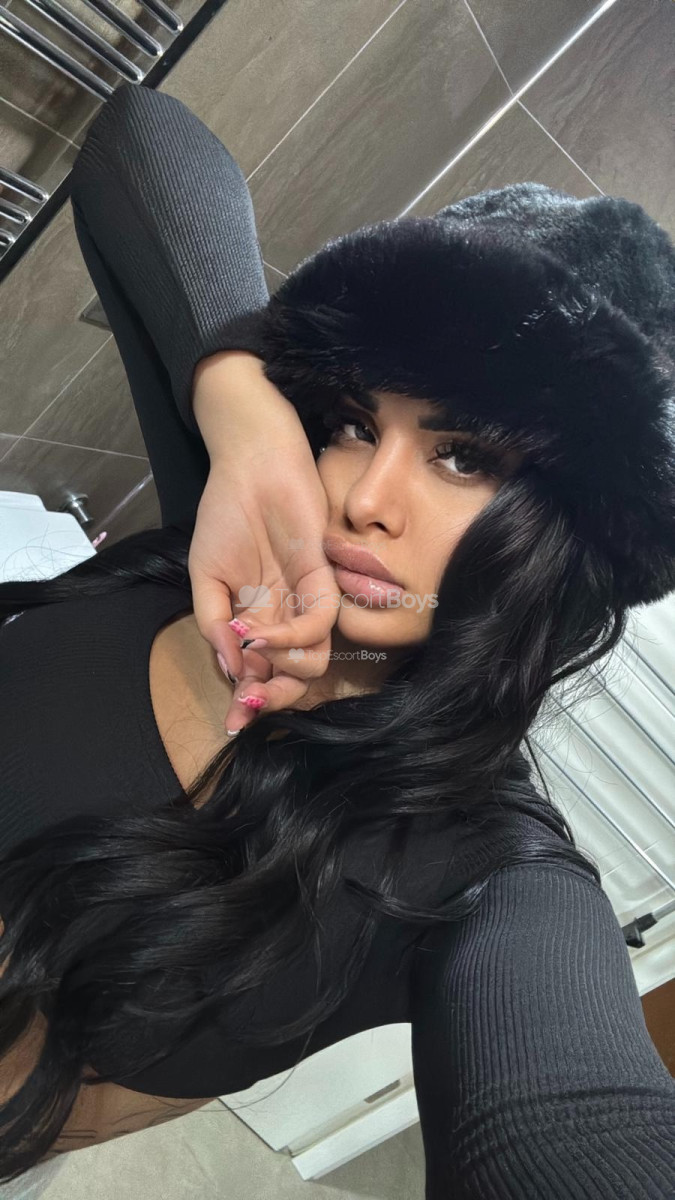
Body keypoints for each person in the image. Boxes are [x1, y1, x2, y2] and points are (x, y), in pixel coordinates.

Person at [0, 81, 673, 1198]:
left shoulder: (487, 870)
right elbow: (140, 140)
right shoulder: (235, 535)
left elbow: (573, 1128)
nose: (363, 496)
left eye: (463, 456)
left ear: (564, 536)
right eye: (356, 423)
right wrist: (244, 409)